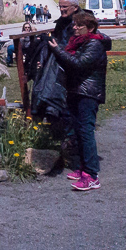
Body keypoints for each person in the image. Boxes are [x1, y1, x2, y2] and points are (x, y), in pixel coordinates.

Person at [48, 11, 109, 191]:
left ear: (89, 28)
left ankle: (91, 175)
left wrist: (57, 50)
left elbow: (78, 64)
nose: (74, 27)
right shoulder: (81, 42)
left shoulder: (94, 44)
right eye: (74, 24)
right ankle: (83, 168)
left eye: (78, 25)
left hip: (88, 94)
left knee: (86, 131)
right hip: (76, 91)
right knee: (78, 131)